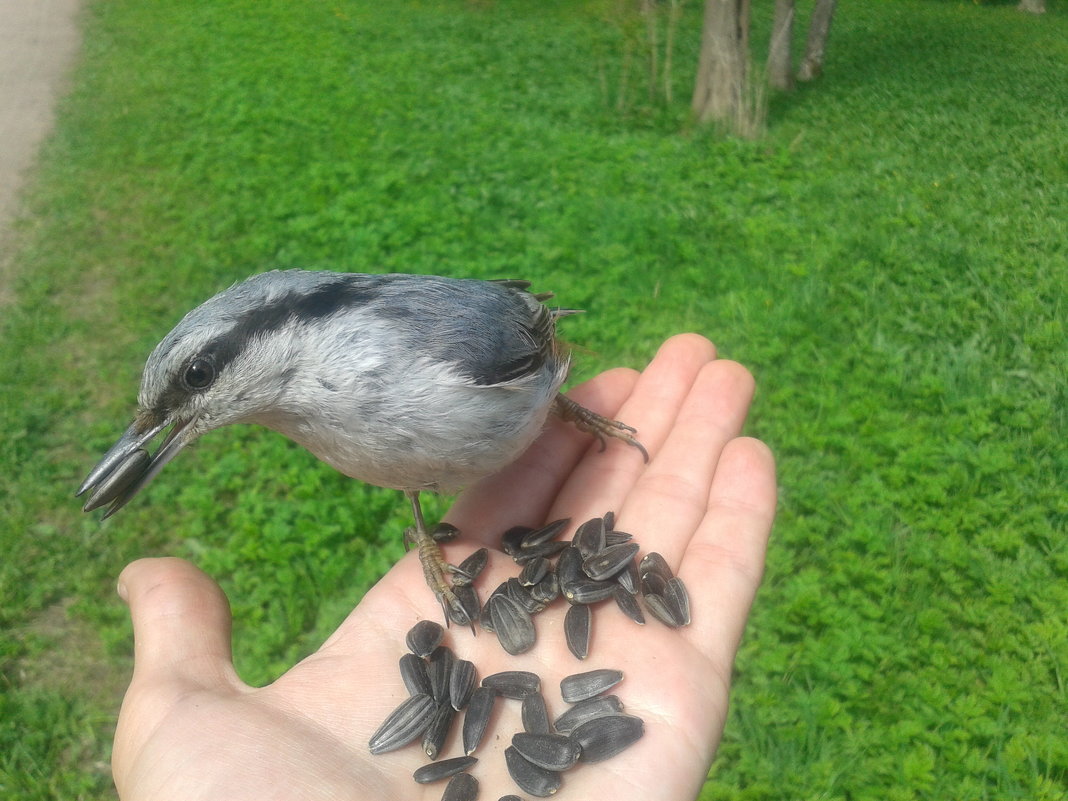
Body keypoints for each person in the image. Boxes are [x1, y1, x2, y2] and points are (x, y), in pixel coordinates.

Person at [110, 334, 777, 801]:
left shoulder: (459, 349)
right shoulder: (324, 417)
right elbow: (394, 455)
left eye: (197, 379)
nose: (185, 405)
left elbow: (531, 336)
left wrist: (556, 398)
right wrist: (425, 534)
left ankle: (550, 407)